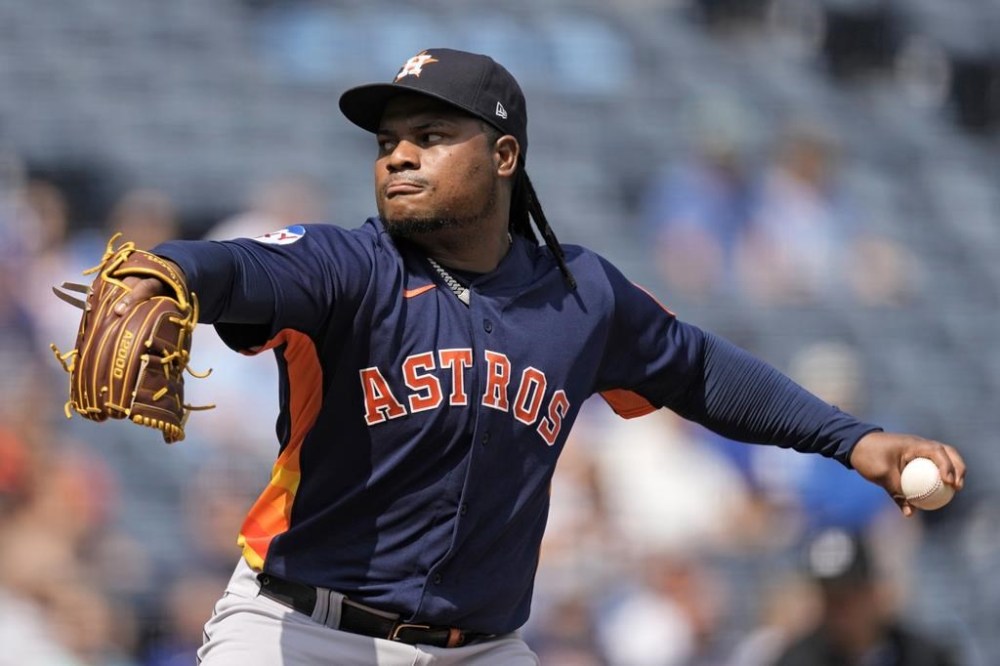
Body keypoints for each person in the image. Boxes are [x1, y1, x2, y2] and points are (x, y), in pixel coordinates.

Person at [106, 48, 965, 665]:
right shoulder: (350, 267)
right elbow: (243, 268)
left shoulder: (580, 294)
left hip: (482, 646)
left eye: (431, 134)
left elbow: (700, 371)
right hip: (301, 632)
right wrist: (167, 273)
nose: (398, 153)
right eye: (386, 142)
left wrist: (855, 441)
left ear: (504, 156)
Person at [772, 528, 958, 666]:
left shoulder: (923, 656)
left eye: (847, 597)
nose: (838, 611)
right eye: (830, 598)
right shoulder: (797, 661)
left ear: (872, 593)